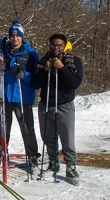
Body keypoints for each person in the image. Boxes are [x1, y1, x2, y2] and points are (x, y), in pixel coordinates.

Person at [32, 34, 83, 186]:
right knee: (48, 136)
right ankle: (53, 162)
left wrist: (61, 68)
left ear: (65, 45)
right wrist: (45, 70)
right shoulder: (43, 61)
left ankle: (71, 166)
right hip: (46, 104)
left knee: (67, 137)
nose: (56, 47)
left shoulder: (73, 61)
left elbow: (75, 83)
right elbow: (35, 83)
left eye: (59, 45)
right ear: (50, 45)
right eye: (53, 44)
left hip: (64, 104)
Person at [0, 20, 40, 172]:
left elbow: (37, 77)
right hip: (5, 97)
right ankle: (1, 153)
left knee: (27, 128)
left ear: (22, 37)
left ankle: (32, 157)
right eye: (12, 35)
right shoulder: (2, 52)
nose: (14, 38)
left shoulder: (30, 54)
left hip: (23, 97)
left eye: (17, 35)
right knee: (4, 128)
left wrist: (24, 75)